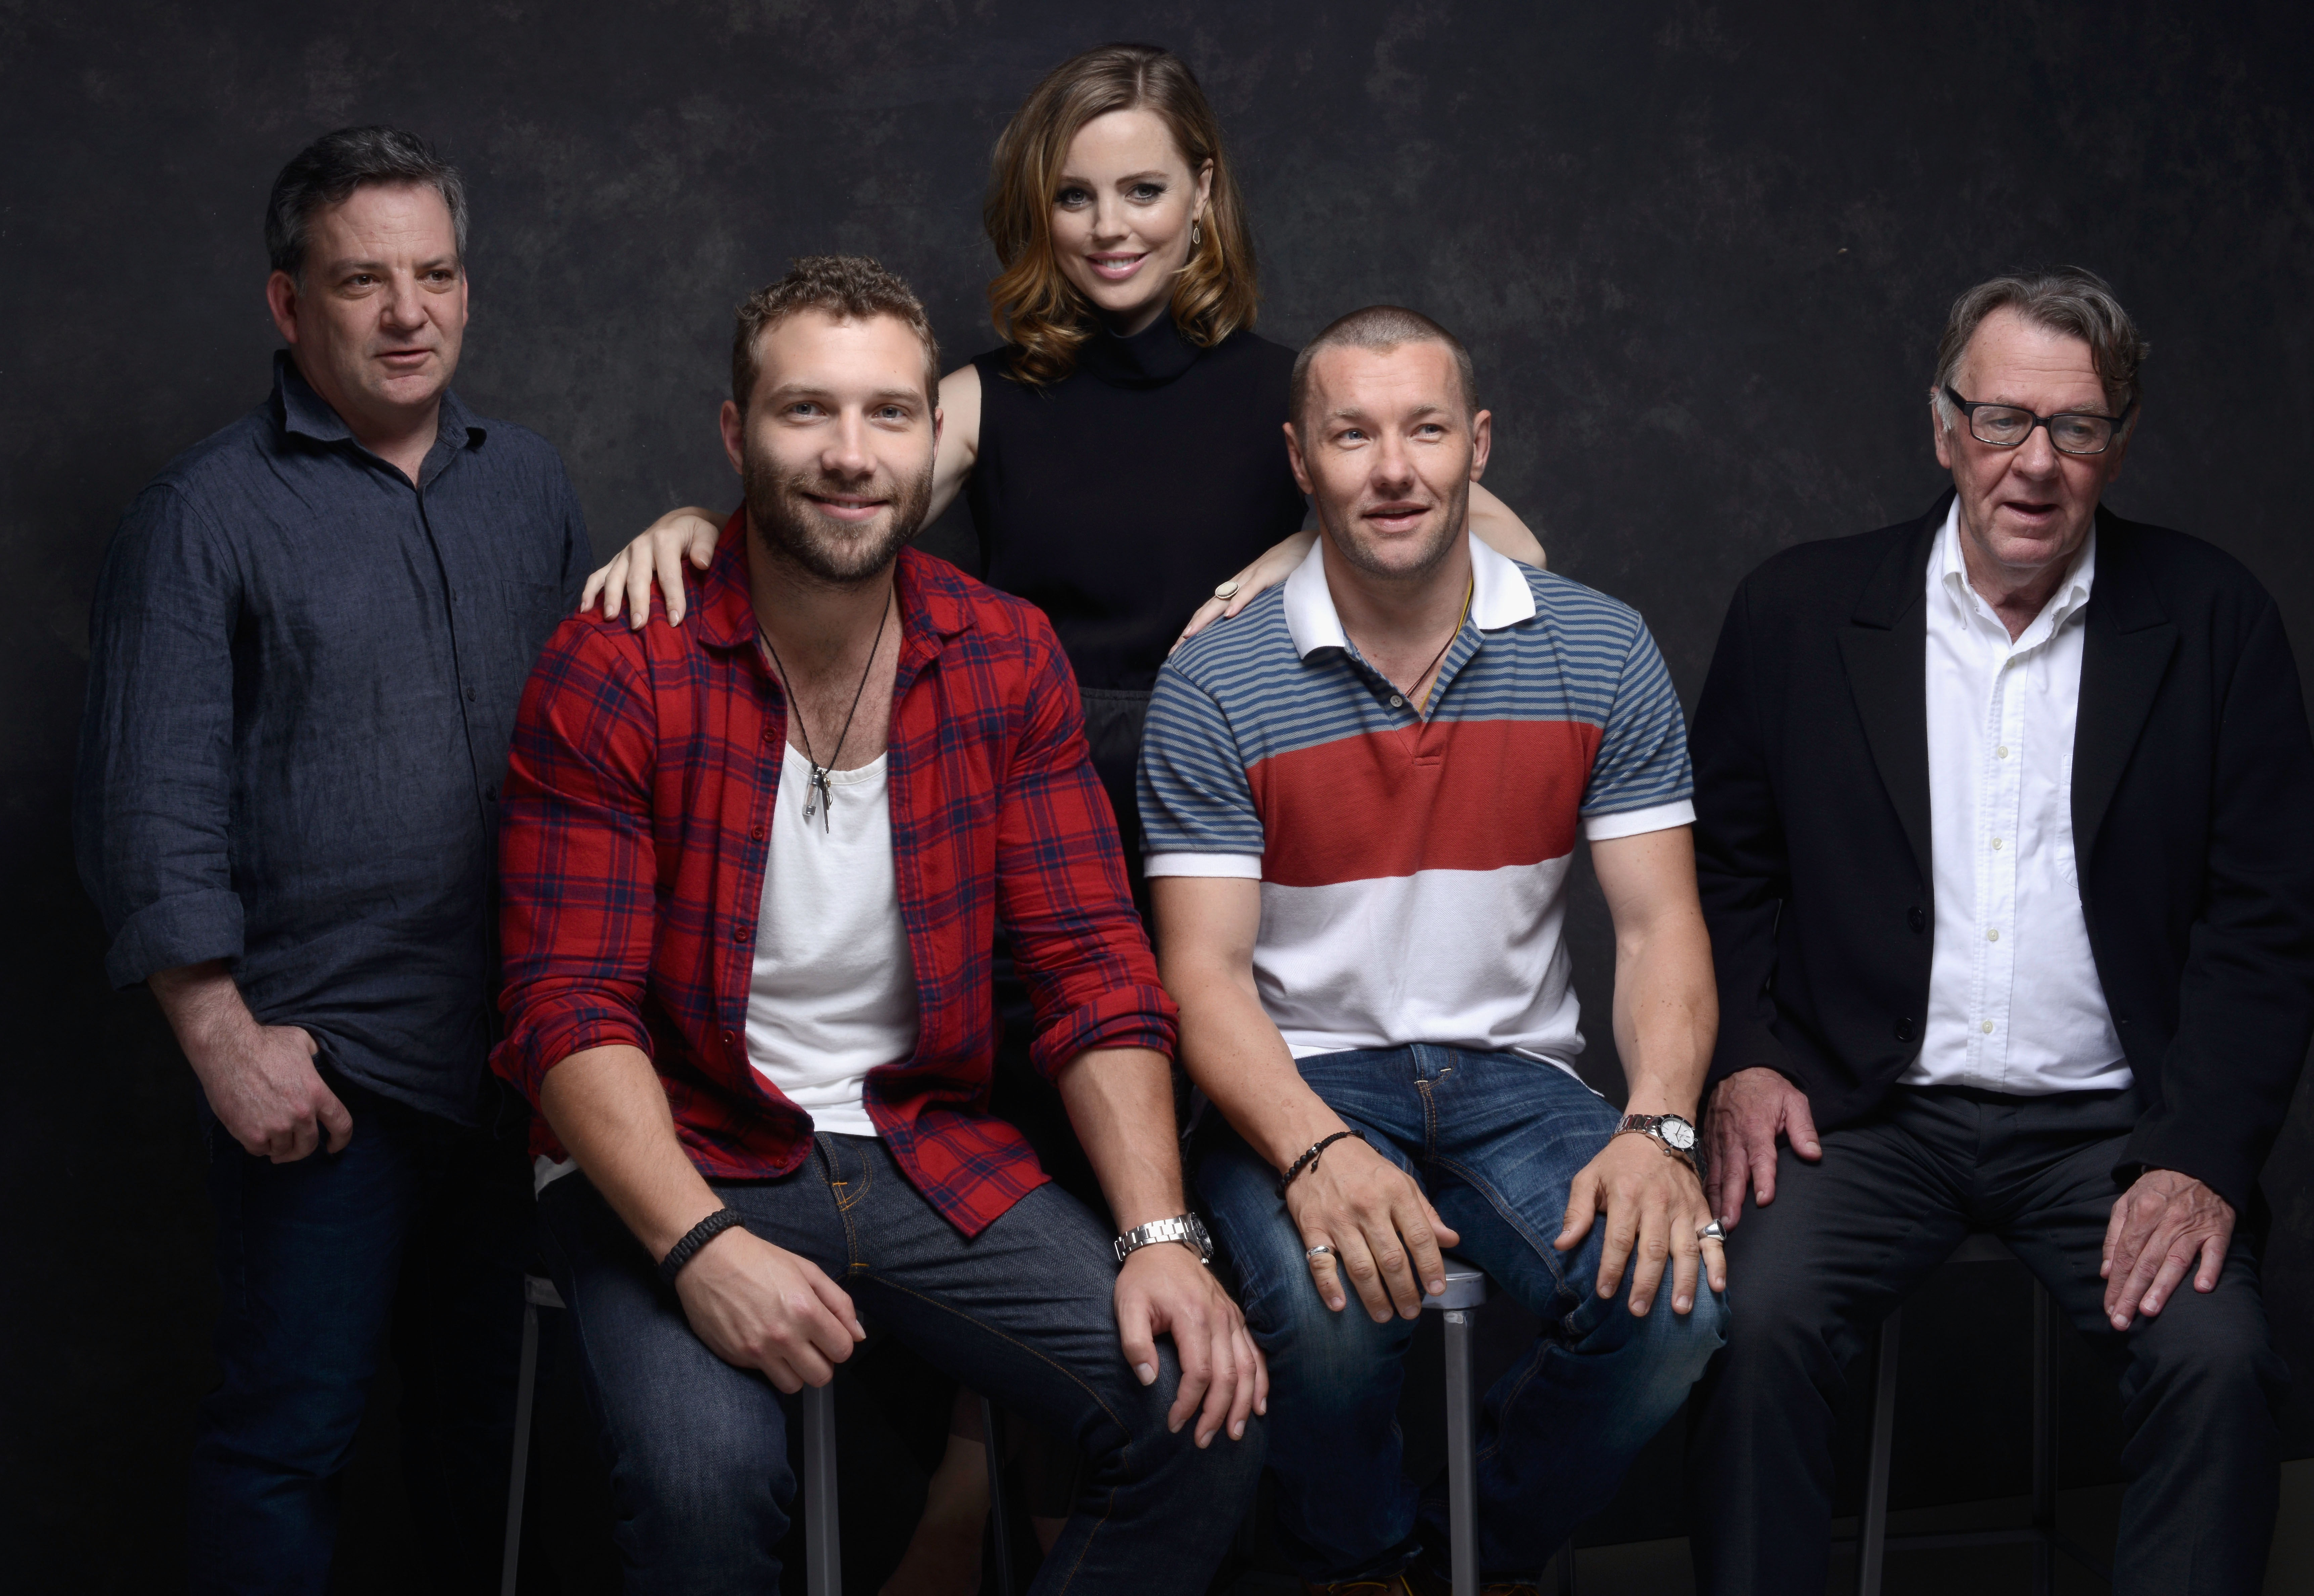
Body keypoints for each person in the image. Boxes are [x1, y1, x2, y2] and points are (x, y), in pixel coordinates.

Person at [586, 45, 1548, 1583]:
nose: (1109, 228)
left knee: (1171, 1119)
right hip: (1025, 811)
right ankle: (979, 1480)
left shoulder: (1286, 396)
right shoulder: (985, 396)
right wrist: (683, 524)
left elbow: (1503, 540)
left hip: (1210, 823)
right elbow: (834, 497)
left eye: (1142, 191)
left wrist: (1294, 558)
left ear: (1203, 197)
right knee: (1008, 1096)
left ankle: (1198, 1503)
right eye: (1075, 197)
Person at [493, 254, 1265, 1594]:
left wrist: (1158, 1237)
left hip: (919, 1145)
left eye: (887, 414)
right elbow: (567, 1007)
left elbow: (1092, 968)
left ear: (931, 436)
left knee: (1201, 1405)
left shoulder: (1002, 654)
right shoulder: (616, 663)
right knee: (707, 1488)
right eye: (807, 410)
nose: (850, 454)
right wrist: (697, 1243)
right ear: (735, 432)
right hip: (677, 1151)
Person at [1684, 267, 2312, 1596]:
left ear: (2117, 445)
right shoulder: (1798, 612)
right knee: (1749, 1328)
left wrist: (2198, 1154)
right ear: (1942, 427)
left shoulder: (2214, 620)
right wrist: (1746, 1055)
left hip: (2114, 1133)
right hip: (1863, 1120)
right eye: (2002, 418)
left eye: (2074, 426)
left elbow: (2265, 923)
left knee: (2218, 1366)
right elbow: (1725, 872)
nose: (2034, 461)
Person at [72, 127, 588, 1592]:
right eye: (364, 280)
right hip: (326, 1075)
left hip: (520, 1066)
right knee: (286, 1439)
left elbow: (605, 750)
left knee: (495, 1433)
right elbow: (145, 799)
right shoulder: (202, 515)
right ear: (289, 303)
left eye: (436, 274)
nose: (408, 312)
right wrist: (222, 1039)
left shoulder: (530, 484)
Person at [1143, 305, 1729, 1595]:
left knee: (1671, 1305)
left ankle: (1464, 1556)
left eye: (1425, 430)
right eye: (1353, 435)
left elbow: (1658, 926)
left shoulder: (1601, 646)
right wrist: (1313, 1150)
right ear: (1302, 460)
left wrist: (1660, 1124)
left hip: (1518, 1079)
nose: (1394, 469)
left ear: (1479, 445)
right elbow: (1201, 977)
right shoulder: (1216, 681)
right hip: (1300, 1076)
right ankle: (1357, 1567)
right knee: (1328, 1324)